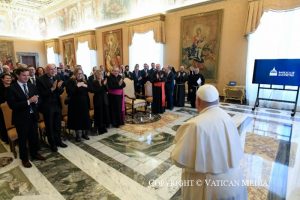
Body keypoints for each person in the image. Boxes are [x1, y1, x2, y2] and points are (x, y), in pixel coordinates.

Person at [171, 84, 247, 200]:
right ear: (217, 100)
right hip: (235, 184)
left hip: (207, 189)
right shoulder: (228, 118)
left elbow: (178, 160)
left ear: (198, 101)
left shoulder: (195, 124)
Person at [6, 67, 46, 168]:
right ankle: (24, 159)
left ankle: (34, 153)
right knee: (23, 139)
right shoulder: (12, 88)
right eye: (24, 75)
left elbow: (39, 99)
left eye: (28, 75)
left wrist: (36, 101)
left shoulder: (31, 85)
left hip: (33, 116)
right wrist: (29, 101)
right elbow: (12, 105)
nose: (26, 77)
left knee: (33, 136)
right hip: (21, 118)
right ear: (17, 76)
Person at [36, 64, 67, 152]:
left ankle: (59, 141)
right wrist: (52, 89)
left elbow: (59, 92)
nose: (53, 71)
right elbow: (41, 94)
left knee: (57, 125)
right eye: (51, 69)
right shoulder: (40, 79)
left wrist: (59, 88)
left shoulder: (56, 77)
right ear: (46, 70)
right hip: (47, 106)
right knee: (49, 126)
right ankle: (52, 144)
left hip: (57, 104)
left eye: (54, 69)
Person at [66, 68, 90, 142]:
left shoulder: (84, 81)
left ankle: (84, 134)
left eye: (81, 73)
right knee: (77, 119)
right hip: (75, 103)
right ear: (75, 74)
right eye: (78, 73)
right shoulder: (71, 81)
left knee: (85, 118)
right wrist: (77, 86)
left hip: (84, 102)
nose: (80, 75)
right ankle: (78, 135)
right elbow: (69, 92)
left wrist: (87, 86)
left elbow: (90, 90)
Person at [90, 70, 110, 134]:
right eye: (98, 74)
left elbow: (107, 90)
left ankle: (104, 127)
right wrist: (103, 85)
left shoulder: (103, 81)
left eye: (101, 74)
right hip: (98, 100)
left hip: (104, 99)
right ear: (96, 75)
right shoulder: (94, 82)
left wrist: (105, 84)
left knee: (104, 114)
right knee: (99, 114)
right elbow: (96, 91)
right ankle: (99, 129)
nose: (100, 75)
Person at [0, 73, 12, 144]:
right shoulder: (1, 88)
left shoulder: (13, 87)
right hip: (2, 110)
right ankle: (6, 138)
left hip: (13, 108)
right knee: (3, 123)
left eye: (10, 78)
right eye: (7, 78)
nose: (9, 79)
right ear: (2, 79)